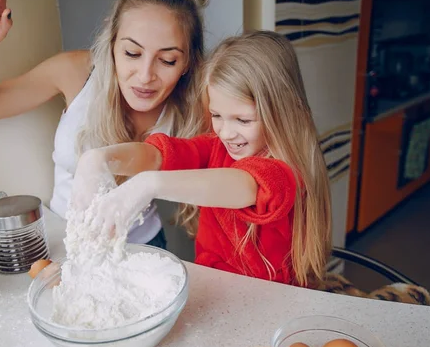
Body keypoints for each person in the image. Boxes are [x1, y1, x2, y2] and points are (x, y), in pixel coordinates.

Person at [0, 0, 210, 249]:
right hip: (65, 244)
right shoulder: (76, 72)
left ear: (188, 61)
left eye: (167, 60)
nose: (144, 75)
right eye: (132, 53)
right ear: (112, 40)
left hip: (145, 246)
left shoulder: (196, 105)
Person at [73, 30, 332, 287]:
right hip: (214, 287)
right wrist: (99, 159)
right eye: (217, 115)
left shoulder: (286, 172)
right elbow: (157, 156)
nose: (227, 133)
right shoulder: (218, 146)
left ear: (282, 112)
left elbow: (245, 186)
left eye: (243, 120)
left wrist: (149, 185)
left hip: (268, 301)